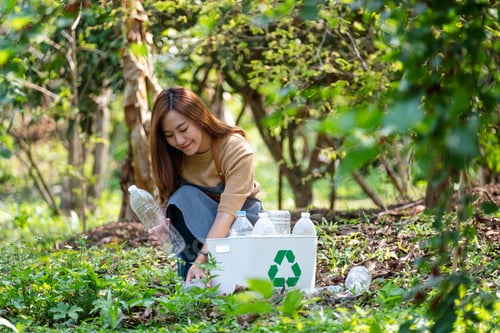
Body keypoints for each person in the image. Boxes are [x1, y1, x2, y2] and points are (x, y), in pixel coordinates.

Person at [147, 86, 262, 285]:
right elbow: (165, 201)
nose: (179, 140)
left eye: (183, 129)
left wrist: (204, 259)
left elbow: (227, 214)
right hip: (198, 228)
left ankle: (211, 270)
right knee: (180, 198)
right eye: (169, 135)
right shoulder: (173, 157)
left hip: (238, 222)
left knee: (185, 196)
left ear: (200, 118)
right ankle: (192, 274)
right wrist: (162, 226)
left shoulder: (235, 148)